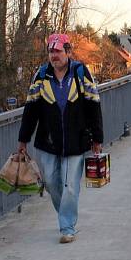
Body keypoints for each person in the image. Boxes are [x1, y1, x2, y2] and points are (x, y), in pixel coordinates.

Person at [17, 33, 103, 244]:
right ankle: (65, 213)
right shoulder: (41, 75)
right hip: (48, 142)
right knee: (51, 184)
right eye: (50, 51)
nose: (54, 55)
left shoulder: (81, 73)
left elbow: (94, 106)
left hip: (76, 140)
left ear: (68, 52)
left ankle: (67, 227)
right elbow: (31, 109)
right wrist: (23, 139)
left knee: (70, 186)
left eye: (58, 51)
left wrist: (97, 138)